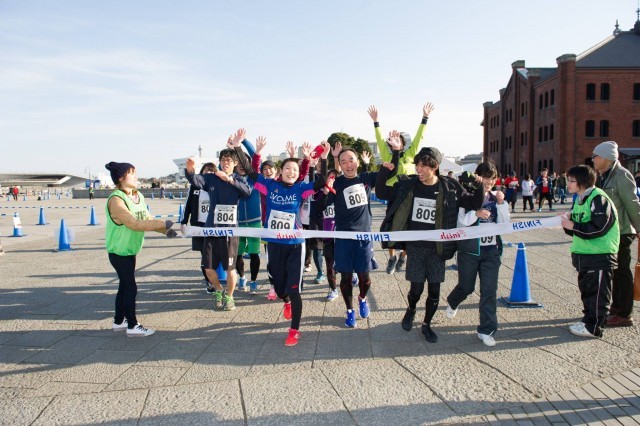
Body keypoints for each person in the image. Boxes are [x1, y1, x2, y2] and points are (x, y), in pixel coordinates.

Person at [375, 141, 484, 343]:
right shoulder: (409, 184)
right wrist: (384, 172)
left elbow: (473, 203)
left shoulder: (449, 186)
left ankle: (427, 324)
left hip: (438, 248)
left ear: (435, 167)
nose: (419, 169)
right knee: (416, 289)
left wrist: (479, 187)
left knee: (434, 290)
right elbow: (382, 193)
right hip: (416, 247)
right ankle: (411, 309)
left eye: (424, 166)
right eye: (417, 165)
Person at [245, 136, 328, 346]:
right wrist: (255, 153)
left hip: (295, 245)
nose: (292, 172)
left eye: (295, 169)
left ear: (299, 174)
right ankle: (286, 301)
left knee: (294, 288)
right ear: (280, 171)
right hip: (274, 244)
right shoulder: (270, 187)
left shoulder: (301, 189)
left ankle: (294, 330)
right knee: (280, 289)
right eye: (288, 168)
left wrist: (323, 159)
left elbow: (321, 182)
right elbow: (252, 173)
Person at [105, 161, 178, 337]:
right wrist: (164, 224)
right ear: (121, 178)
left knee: (124, 286)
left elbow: (146, 218)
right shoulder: (116, 200)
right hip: (118, 251)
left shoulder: (138, 196)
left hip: (130, 249)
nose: (136, 176)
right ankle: (132, 325)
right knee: (130, 288)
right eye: (132, 173)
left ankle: (118, 321)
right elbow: (134, 224)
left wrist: (166, 231)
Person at [444, 162, 510, 347]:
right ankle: (453, 301)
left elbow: (505, 223)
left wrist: (501, 204)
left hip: (492, 252)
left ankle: (486, 330)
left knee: (489, 291)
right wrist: (476, 214)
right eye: (486, 177)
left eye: (493, 178)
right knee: (466, 287)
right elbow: (461, 222)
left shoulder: (496, 197)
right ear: (478, 177)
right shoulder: (467, 195)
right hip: (470, 251)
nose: (489, 182)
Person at [185, 137, 252, 312]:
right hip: (211, 230)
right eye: (222, 160)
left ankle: (229, 296)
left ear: (235, 163)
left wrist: (230, 180)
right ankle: (219, 290)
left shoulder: (239, 179)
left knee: (230, 268)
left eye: (228, 160)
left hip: (230, 232)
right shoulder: (212, 178)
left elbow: (247, 193)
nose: (225, 163)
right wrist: (190, 170)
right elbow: (196, 181)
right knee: (208, 268)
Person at [368, 103, 435, 275]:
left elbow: (419, 137)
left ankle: (404, 256)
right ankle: (392, 257)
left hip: (411, 197)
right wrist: (376, 122)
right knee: (390, 227)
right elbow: (379, 139)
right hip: (393, 196)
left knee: (409, 228)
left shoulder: (411, 154)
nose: (395, 142)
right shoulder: (388, 155)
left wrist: (425, 118)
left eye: (399, 140)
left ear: (404, 143)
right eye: (392, 141)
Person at [561, 164, 619, 338]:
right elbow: (577, 229)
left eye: (572, 181)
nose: (568, 184)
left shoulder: (598, 198)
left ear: (583, 182)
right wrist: (568, 223)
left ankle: (595, 328)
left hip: (600, 255)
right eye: (568, 180)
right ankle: (588, 320)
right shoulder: (580, 199)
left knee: (598, 294)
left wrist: (573, 225)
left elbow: (598, 228)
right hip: (584, 254)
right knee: (587, 292)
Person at [327, 146, 379, 328]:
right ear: (340, 165)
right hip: (343, 237)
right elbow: (323, 203)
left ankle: (362, 298)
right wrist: (326, 190)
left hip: (364, 236)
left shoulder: (366, 179)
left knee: (365, 278)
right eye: (343, 162)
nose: (348, 164)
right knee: (346, 278)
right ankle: (349, 310)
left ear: (358, 161)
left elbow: (390, 172)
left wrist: (396, 152)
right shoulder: (337, 183)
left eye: (351, 160)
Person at [591, 141, 640, 328]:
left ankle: (624, 313)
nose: (593, 160)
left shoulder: (622, 175)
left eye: (595, 156)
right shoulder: (604, 175)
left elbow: (632, 204)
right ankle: (616, 307)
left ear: (605, 157)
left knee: (622, 273)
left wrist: (639, 228)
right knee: (614, 271)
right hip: (610, 232)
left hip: (622, 231)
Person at [181, 162, 216, 293]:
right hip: (199, 226)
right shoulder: (194, 186)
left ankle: (216, 279)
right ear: (201, 173)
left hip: (214, 226)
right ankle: (209, 282)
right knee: (205, 256)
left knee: (215, 255)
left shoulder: (217, 186)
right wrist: (184, 221)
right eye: (206, 171)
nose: (208, 173)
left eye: (211, 171)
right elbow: (188, 205)